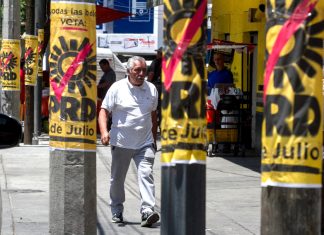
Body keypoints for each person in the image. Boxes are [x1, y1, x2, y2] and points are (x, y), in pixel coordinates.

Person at [98, 56, 160, 227]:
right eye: (137, 70)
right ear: (128, 71)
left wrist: (153, 141)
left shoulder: (152, 89)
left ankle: (147, 211)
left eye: (144, 71)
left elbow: (153, 116)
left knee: (146, 174)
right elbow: (103, 111)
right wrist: (104, 132)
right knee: (117, 179)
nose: (141, 74)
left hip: (145, 143)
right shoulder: (117, 88)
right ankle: (117, 211)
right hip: (121, 142)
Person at [97, 59, 116, 133]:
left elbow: (107, 83)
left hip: (107, 97)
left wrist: (97, 87)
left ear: (106, 65)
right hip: (103, 96)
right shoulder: (106, 73)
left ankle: (107, 129)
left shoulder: (110, 73)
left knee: (107, 114)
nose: (101, 69)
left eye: (102, 67)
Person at [147, 47, 162, 127]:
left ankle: (152, 125)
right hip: (166, 88)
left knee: (153, 107)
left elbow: (151, 73)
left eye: (158, 53)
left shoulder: (155, 62)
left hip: (156, 86)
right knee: (162, 108)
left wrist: (148, 84)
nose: (157, 55)